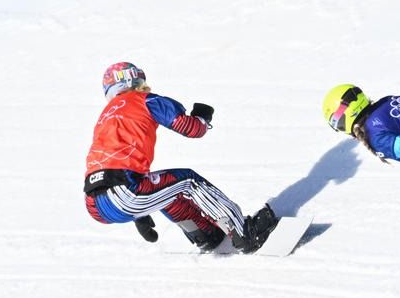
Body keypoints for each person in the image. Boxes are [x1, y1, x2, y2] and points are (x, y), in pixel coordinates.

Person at [84, 62, 276, 253]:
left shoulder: (105, 116)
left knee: (168, 190)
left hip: (95, 204)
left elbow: (109, 164)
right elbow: (190, 128)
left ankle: (204, 233)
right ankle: (245, 234)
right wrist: (202, 117)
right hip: (125, 192)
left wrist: (138, 213)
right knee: (189, 180)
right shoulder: (145, 100)